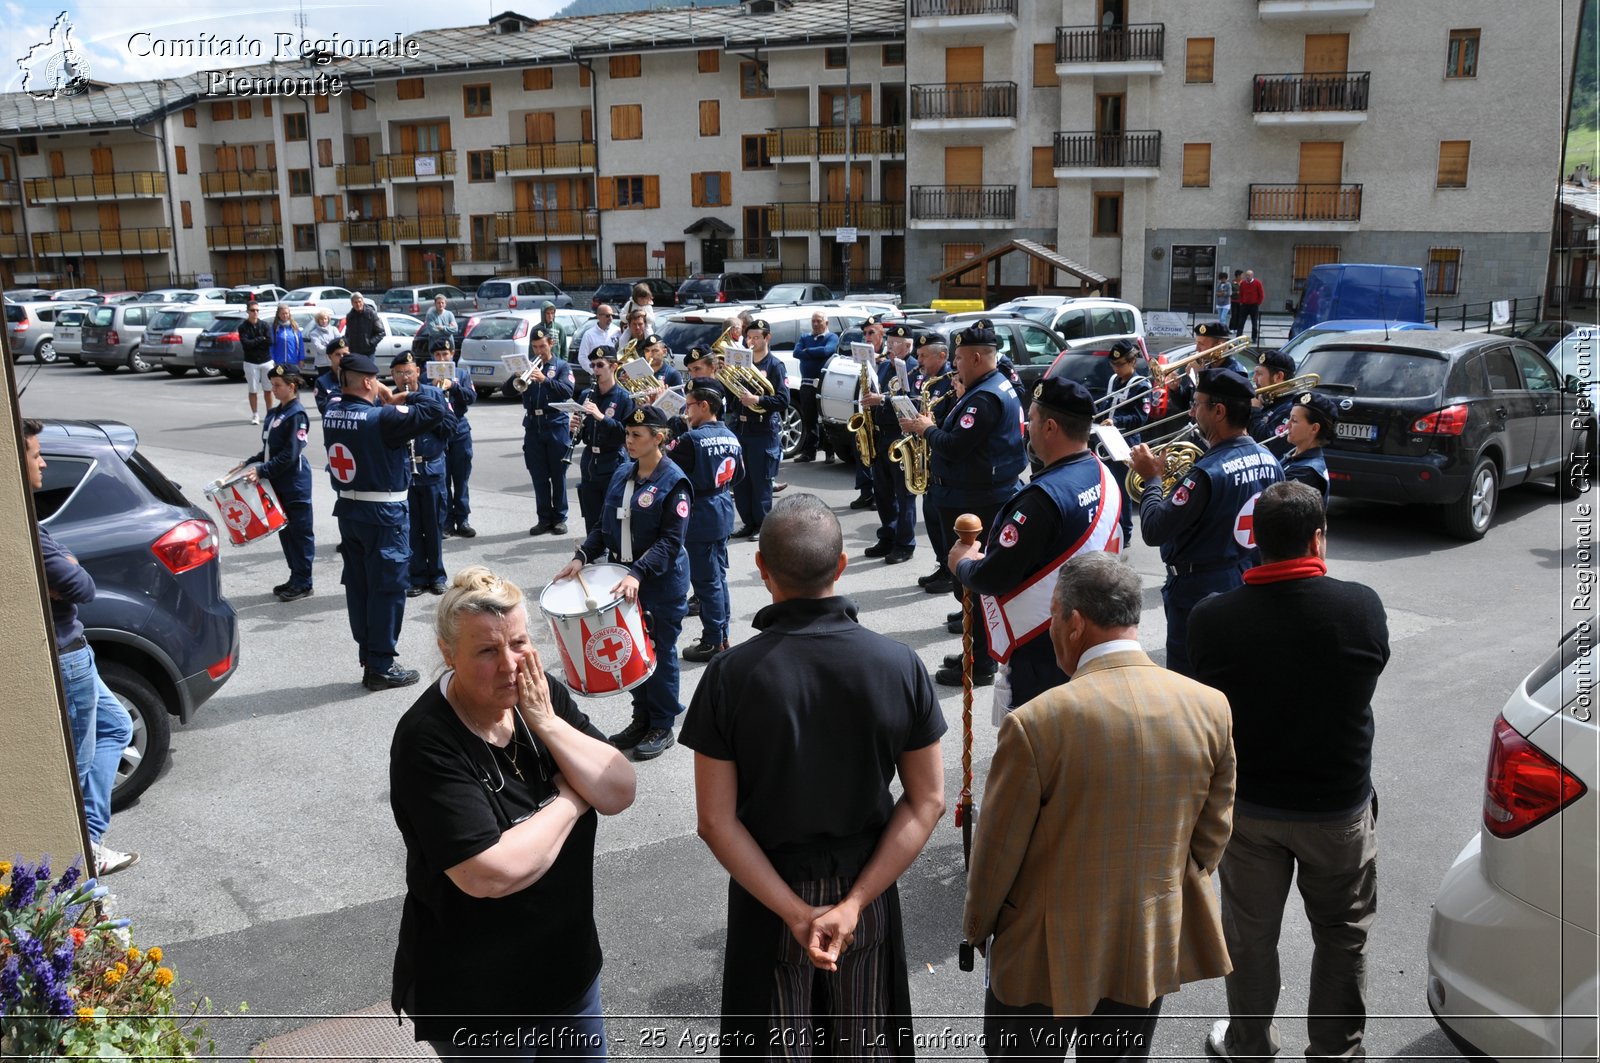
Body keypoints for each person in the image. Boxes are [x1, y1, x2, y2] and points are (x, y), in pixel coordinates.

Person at [681, 495, 946, 1058]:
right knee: (866, 1044)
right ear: (843, 565)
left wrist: (796, 914)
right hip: (866, 887)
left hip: (769, 889)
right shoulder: (899, 664)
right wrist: (851, 905)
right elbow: (927, 802)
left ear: (762, 570)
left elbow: (715, 821)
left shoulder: (730, 675)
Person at [964, 553, 1235, 1062]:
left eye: (1052, 617)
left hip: (1043, 952)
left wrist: (978, 928)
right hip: (1146, 940)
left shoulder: (1035, 723)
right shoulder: (1208, 706)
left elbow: (997, 854)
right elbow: (1211, 834)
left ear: (1074, 622)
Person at [389, 566, 636, 1059]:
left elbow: (618, 788)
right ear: (447, 653)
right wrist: (570, 798)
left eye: (519, 642)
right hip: (483, 1002)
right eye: (486, 650)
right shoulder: (427, 741)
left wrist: (545, 720)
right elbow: (490, 873)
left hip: (568, 975)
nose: (509, 665)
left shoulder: (538, 694)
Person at [1188, 481, 1389, 1063]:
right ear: (1317, 538)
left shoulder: (1213, 619)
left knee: (1249, 941)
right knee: (1342, 936)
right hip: (1338, 809)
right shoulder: (1362, 607)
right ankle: (1335, 1051)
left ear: (1255, 542)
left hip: (1249, 811)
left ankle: (1251, 1047)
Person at [947, 378, 1124, 717]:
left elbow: (996, 576)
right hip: (1093, 626)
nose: (1027, 427)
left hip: (1045, 644)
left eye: (1032, 418)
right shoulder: (1102, 473)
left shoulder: (1040, 500)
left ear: (1050, 427)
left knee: (1038, 746)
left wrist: (963, 564)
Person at [24, 418, 139, 876]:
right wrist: (68, 568)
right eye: (36, 455)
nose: (44, 462)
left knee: (115, 727)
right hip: (67, 657)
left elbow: (71, 582)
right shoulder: (30, 532)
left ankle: (89, 835)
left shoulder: (31, 520)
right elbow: (81, 585)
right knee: (79, 760)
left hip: (75, 650)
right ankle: (84, 848)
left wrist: (66, 571)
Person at [555, 405, 691, 762]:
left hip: (658, 581)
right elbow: (603, 527)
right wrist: (581, 557)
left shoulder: (674, 481)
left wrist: (638, 573)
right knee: (631, 650)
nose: (628, 441)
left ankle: (662, 723)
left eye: (637, 436)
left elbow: (670, 542)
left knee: (657, 651)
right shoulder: (621, 475)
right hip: (624, 580)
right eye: (628, 434)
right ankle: (641, 716)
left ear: (658, 439)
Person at [896, 319, 1027, 689]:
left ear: (974, 357)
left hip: (974, 499)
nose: (954, 364)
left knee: (972, 585)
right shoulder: (994, 384)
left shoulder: (984, 397)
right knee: (970, 584)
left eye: (957, 358)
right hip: (976, 494)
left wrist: (926, 429)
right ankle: (975, 651)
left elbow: (955, 446)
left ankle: (980, 662)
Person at [1128, 366, 1284, 677]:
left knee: (1190, 681)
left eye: (1198, 404)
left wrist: (1153, 480)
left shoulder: (1207, 473)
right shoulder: (1271, 461)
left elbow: (1155, 529)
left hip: (1197, 593)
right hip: (1244, 582)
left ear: (1219, 411)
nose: (1192, 410)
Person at [322, 352, 448, 690]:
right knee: (388, 589)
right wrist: (400, 395)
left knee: (360, 588)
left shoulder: (331, 411)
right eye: (376, 380)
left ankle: (368, 655)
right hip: (384, 515)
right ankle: (380, 666)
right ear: (367, 382)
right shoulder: (382, 418)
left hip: (348, 511)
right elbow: (436, 411)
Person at [669, 377, 744, 663]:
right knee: (718, 577)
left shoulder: (692, 439)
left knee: (706, 582)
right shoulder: (730, 435)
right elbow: (739, 475)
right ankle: (722, 635)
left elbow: (668, 470)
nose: (686, 412)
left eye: (689, 406)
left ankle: (714, 640)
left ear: (704, 405)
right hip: (722, 508)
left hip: (700, 513)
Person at [232, 364, 314, 601]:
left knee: (300, 534)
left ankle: (304, 581)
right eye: (272, 385)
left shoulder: (297, 415)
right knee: (286, 533)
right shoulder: (275, 413)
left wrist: (262, 470)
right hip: (277, 484)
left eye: (278, 385)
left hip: (294, 484)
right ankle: (295, 576)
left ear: (292, 386)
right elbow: (269, 449)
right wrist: (249, 462)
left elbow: (290, 454)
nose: (273, 389)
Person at [392, 352, 456, 598]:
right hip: (405, 473)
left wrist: (425, 417)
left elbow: (450, 427)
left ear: (417, 371)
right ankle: (417, 575)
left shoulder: (435, 395)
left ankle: (437, 575)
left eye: (408, 371)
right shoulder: (390, 398)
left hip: (431, 470)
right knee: (411, 527)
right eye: (399, 373)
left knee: (434, 525)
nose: (404, 377)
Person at [728, 318, 791, 540]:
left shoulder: (775, 366)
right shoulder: (742, 363)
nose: (751, 341)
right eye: (749, 337)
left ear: (767, 338)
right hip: (741, 428)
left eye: (756, 337)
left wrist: (758, 399)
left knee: (761, 481)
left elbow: (783, 400)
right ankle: (748, 522)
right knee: (742, 482)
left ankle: (763, 525)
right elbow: (731, 396)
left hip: (763, 431)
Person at [862, 323, 918, 565]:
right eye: (890, 342)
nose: (891, 347)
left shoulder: (915, 368)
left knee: (904, 493)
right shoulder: (885, 366)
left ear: (908, 346)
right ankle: (888, 534)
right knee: (882, 491)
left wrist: (881, 399)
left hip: (901, 436)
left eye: (896, 344)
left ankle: (905, 543)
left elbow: (914, 400)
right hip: (882, 434)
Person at [908, 334, 959, 594]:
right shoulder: (929, 381)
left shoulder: (951, 383)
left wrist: (925, 426)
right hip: (930, 459)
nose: (919, 360)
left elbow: (950, 425)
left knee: (942, 519)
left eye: (923, 355)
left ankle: (952, 573)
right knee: (930, 514)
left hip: (942, 457)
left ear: (941, 356)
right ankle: (943, 565)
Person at [571, 345, 634, 534]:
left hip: (613, 461)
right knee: (591, 515)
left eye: (600, 365)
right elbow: (581, 437)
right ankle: (592, 555)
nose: (595, 370)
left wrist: (602, 417)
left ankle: (611, 556)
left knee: (612, 514)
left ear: (613, 366)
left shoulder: (624, 398)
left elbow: (627, 435)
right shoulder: (586, 395)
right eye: (593, 366)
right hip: (590, 461)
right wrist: (574, 428)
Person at [521, 325, 576, 537]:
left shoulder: (562, 366)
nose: (539, 351)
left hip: (555, 423)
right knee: (539, 475)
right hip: (533, 425)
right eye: (535, 347)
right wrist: (517, 375)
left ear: (551, 344)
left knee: (558, 474)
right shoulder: (527, 366)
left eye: (542, 346)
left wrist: (545, 380)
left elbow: (567, 391)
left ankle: (560, 518)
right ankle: (544, 519)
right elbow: (509, 389)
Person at [1098, 339, 1152, 544]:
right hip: (1106, 438)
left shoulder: (1140, 384)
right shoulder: (1114, 380)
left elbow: (1141, 417)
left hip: (1126, 442)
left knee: (1123, 487)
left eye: (1120, 365)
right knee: (1107, 486)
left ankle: (1125, 532)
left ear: (1132, 362)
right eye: (1114, 365)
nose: (1116, 369)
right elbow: (1106, 403)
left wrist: (1116, 420)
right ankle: (1110, 527)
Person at [438, 344, 478, 538]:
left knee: (461, 478)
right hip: (438, 431)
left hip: (460, 429)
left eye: (445, 354)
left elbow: (472, 397)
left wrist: (453, 385)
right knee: (442, 480)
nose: (441, 358)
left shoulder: (461, 374)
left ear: (452, 354)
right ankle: (446, 521)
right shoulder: (426, 375)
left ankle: (462, 519)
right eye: (437, 354)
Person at [849, 316, 887, 510]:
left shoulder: (889, 357)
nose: (867, 337)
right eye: (865, 333)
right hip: (865, 411)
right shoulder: (865, 357)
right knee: (861, 451)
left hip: (882, 413)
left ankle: (877, 494)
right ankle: (865, 492)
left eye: (871, 332)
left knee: (878, 456)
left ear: (881, 334)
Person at [793, 310, 839, 463]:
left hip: (824, 384)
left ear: (826, 323)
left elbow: (827, 350)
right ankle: (809, 452)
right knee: (809, 419)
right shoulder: (805, 337)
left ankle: (829, 452)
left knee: (826, 418)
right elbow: (796, 353)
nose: (815, 324)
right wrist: (812, 352)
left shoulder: (831, 337)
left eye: (818, 321)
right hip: (806, 383)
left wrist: (807, 351)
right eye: (813, 321)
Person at [1281, 391, 1337, 505]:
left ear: (1314, 428)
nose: (1287, 425)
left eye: (1294, 420)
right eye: (1289, 418)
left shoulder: (1306, 472)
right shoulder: (1295, 455)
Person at [1249, 348, 1296, 451]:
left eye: (1259, 374)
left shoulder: (1290, 408)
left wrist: (1255, 410)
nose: (1254, 379)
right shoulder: (1270, 401)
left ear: (1279, 376)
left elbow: (1263, 442)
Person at [239, 300, 273, 425]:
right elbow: (246, 344)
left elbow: (269, 341)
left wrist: (257, 340)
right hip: (251, 362)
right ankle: (255, 414)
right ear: (248, 311)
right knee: (253, 389)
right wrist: (260, 339)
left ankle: (270, 413)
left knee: (268, 389)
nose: (255, 312)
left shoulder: (264, 325)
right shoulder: (243, 327)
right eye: (253, 310)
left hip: (266, 361)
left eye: (257, 310)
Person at [344, 291, 387, 357]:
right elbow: (347, 334)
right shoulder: (350, 316)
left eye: (359, 302)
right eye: (355, 302)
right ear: (352, 303)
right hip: (354, 352)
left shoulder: (371, 314)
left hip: (368, 352)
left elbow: (381, 332)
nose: (358, 304)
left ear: (363, 301)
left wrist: (370, 343)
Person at [314, 336, 348, 416]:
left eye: (345, 354)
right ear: (330, 357)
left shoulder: (357, 378)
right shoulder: (322, 382)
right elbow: (323, 408)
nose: (342, 358)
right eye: (338, 355)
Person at [303, 308, 340, 375]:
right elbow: (319, 349)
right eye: (321, 319)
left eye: (325, 319)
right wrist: (333, 348)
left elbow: (339, 343)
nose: (324, 321)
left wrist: (330, 347)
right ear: (318, 320)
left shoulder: (334, 329)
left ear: (328, 320)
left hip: (335, 362)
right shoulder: (314, 333)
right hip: (322, 364)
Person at [269, 304, 304, 368]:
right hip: (279, 362)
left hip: (293, 362)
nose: (285, 315)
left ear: (289, 314)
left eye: (286, 313)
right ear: (278, 315)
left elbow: (300, 345)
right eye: (282, 314)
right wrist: (272, 359)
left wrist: (301, 359)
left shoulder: (295, 327)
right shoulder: (274, 328)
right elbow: (271, 346)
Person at [1237, 269, 1265, 346]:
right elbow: (1241, 293)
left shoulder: (1257, 283)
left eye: (1249, 275)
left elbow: (1261, 294)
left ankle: (1254, 338)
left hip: (1254, 305)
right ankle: (1238, 338)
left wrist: (1258, 303)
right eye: (1246, 275)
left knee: (1254, 323)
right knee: (1241, 322)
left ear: (1252, 276)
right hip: (1245, 305)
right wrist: (1241, 302)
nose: (1247, 277)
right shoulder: (1243, 283)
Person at [1227, 270, 1247, 336]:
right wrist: (1236, 292)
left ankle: (1237, 328)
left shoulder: (1243, 283)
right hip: (1234, 301)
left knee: (1239, 315)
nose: (1243, 276)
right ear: (1238, 276)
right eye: (1242, 275)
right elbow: (1230, 293)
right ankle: (1231, 328)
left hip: (1241, 301)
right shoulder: (1232, 283)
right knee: (1234, 314)